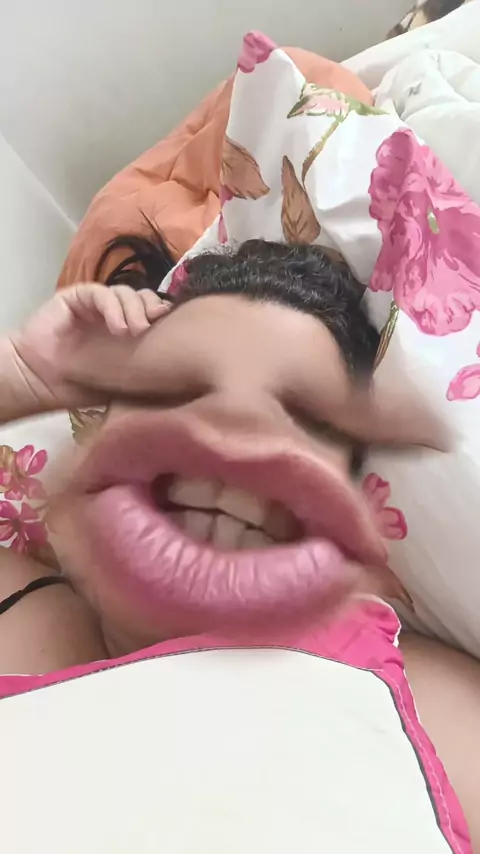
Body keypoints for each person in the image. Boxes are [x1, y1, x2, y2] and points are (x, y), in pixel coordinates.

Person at [0, 239, 479, 851]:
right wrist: (19, 376)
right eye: (171, 388)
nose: (228, 433)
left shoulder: (416, 693)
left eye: (305, 416)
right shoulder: (19, 607)